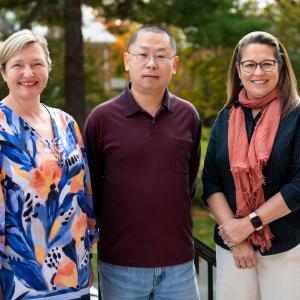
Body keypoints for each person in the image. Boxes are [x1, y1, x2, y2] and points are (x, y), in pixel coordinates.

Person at [83, 26, 201, 300]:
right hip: (120, 265)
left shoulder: (188, 115)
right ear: (127, 61)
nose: (151, 63)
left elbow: (188, 182)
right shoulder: (101, 119)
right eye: (143, 54)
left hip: (178, 263)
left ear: (174, 64)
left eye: (161, 56)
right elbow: (90, 190)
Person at [0, 29, 98, 300]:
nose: (28, 73)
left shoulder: (67, 122)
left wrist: (87, 255)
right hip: (22, 281)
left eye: (36, 64)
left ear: (48, 68)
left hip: (73, 272)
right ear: (4, 72)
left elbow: (84, 195)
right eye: (18, 65)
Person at [202, 31, 300, 300]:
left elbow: (298, 185)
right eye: (250, 64)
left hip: (285, 248)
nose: (259, 72)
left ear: (280, 66)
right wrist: (237, 235)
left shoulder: (296, 115)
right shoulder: (226, 117)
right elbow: (210, 182)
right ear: (238, 69)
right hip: (233, 249)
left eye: (267, 63)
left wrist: (251, 223)